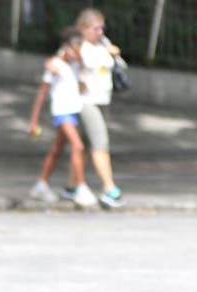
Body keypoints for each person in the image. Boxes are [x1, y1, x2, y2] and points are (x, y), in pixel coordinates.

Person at [27, 28, 98, 209]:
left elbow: (83, 86)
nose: (78, 51)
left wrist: (80, 63)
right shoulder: (55, 65)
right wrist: (33, 121)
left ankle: (40, 184)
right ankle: (81, 188)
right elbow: (42, 94)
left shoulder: (75, 65)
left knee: (57, 149)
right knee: (78, 146)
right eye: (75, 47)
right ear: (66, 47)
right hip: (61, 112)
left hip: (72, 111)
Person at [75, 8, 124, 208]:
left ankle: (72, 185)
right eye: (96, 28)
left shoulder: (102, 44)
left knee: (85, 146)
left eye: (102, 28)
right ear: (84, 28)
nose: (100, 32)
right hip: (86, 101)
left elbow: (119, 67)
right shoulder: (79, 47)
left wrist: (111, 51)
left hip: (103, 99)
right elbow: (81, 66)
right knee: (100, 142)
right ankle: (109, 188)